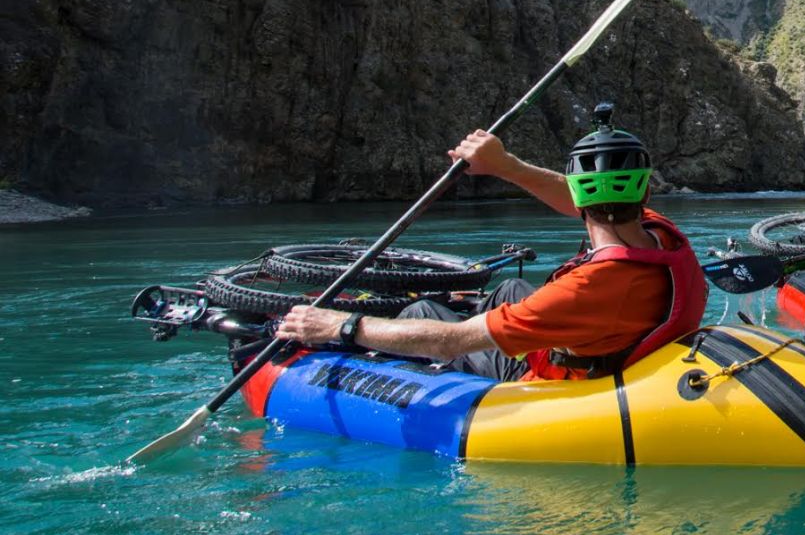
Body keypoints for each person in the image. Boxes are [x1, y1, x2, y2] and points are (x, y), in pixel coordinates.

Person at [276, 104, 708, 381]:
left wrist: (341, 326)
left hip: (566, 370)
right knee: (510, 290)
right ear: (645, 194)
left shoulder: (585, 289)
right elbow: (574, 196)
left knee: (425, 312)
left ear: (580, 198)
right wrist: (505, 166)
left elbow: (451, 341)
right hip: (616, 335)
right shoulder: (662, 236)